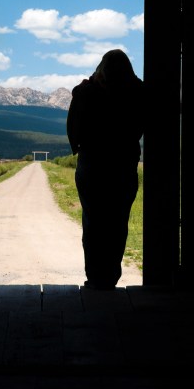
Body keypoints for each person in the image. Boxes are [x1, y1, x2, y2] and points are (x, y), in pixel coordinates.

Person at [66, 49, 144, 290]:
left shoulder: (86, 92)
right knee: (118, 222)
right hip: (123, 165)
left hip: (91, 165)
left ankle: (95, 277)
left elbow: (73, 127)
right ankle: (110, 277)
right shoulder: (138, 92)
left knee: (93, 222)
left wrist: (77, 146)